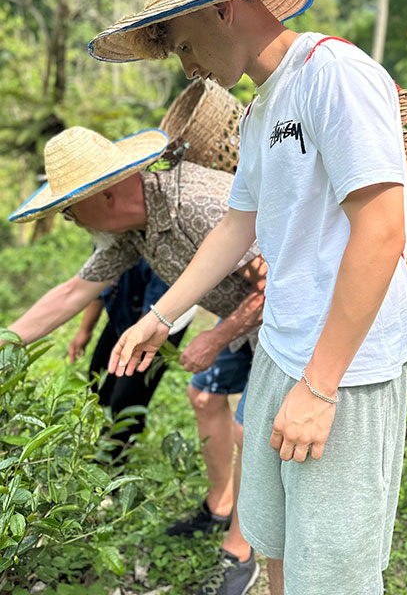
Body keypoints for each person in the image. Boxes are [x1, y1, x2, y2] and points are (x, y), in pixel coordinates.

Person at [90, 0, 407, 595]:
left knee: (329, 576)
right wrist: (165, 311)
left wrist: (322, 384)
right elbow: (238, 226)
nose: (187, 67)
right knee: (273, 551)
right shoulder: (257, 112)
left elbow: (384, 229)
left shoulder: (333, 74)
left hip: (346, 368)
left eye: (184, 45)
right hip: (280, 351)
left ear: (225, 8)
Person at [8, 125, 265, 591]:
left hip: (288, 320)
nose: (70, 220)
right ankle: (219, 505)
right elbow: (72, 292)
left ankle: (240, 553)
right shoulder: (136, 229)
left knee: (251, 430)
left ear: (105, 196)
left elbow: (280, 284)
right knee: (206, 398)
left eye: (70, 209)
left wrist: (215, 337)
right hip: (242, 319)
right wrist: (6, 343)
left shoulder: (198, 205)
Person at [69, 258, 194, 459]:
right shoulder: (107, 237)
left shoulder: (163, 255)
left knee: (126, 399)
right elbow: (97, 282)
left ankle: (115, 464)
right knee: (98, 382)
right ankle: (96, 447)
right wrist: (85, 330)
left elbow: (154, 313)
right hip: (126, 308)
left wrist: (132, 345)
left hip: (162, 322)